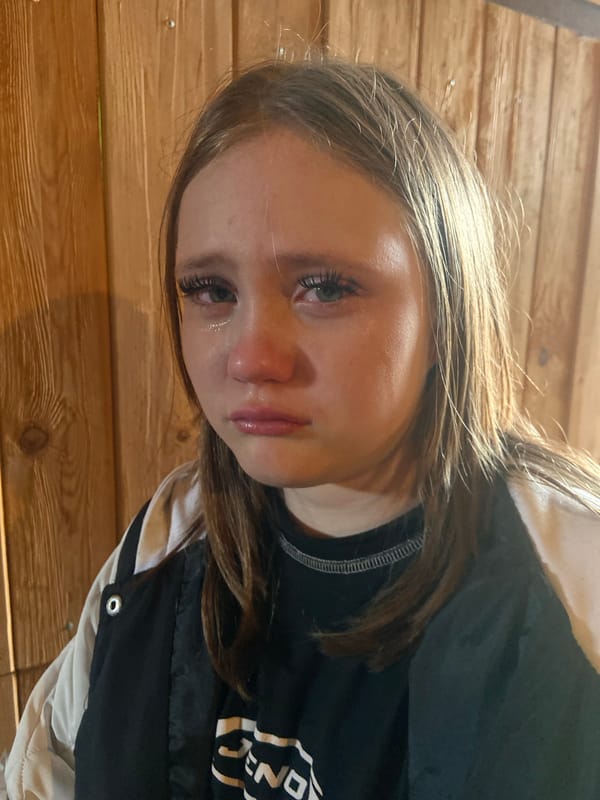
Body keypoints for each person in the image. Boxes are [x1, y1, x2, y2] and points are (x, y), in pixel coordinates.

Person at [4, 59, 600, 800]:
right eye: (211, 290)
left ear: (447, 307)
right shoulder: (163, 544)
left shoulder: (577, 595)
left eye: (324, 287)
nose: (251, 357)